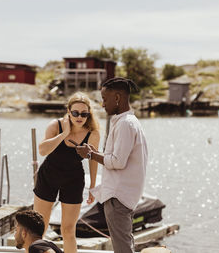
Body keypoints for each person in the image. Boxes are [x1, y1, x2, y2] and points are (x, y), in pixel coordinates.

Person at [76, 77, 148, 253]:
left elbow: (117, 162)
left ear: (117, 98)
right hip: (123, 195)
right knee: (124, 243)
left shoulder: (125, 124)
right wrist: (97, 153)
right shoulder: (128, 122)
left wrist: (91, 155)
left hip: (118, 197)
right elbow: (116, 158)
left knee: (122, 248)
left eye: (105, 99)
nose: (102, 104)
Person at [34, 92, 100, 253]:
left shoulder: (93, 133)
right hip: (48, 176)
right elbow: (42, 150)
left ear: (88, 114)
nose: (80, 117)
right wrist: (64, 134)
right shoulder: (55, 126)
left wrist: (92, 186)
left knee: (68, 231)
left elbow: (93, 160)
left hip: (73, 180)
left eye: (84, 114)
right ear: (68, 111)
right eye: (75, 113)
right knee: (39, 228)